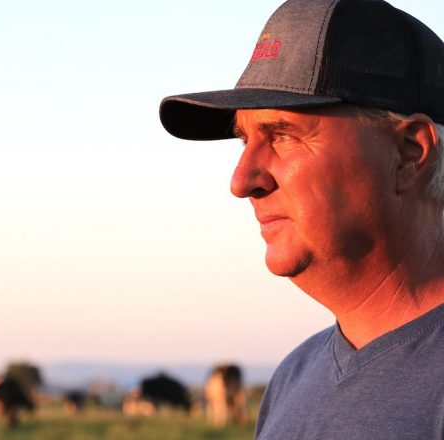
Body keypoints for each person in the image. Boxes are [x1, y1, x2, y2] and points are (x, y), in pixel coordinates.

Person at [159, 0, 444, 438]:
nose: (242, 181)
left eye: (283, 135)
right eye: (245, 141)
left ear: (409, 155)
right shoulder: (292, 379)